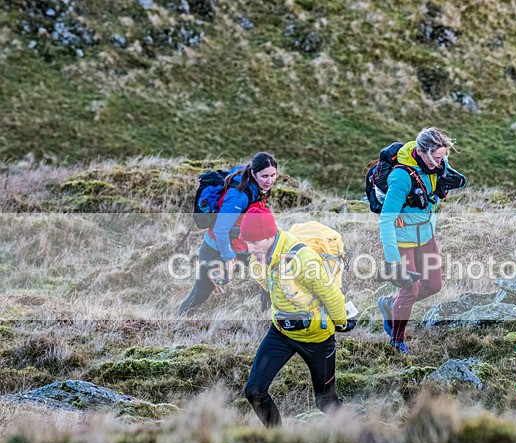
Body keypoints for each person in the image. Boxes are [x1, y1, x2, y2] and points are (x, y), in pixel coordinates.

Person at [240, 206, 355, 427]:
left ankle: (359, 432)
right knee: (254, 390)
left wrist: (341, 322)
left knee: (325, 402)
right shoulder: (259, 258)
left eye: (254, 242)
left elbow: (331, 294)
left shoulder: (304, 259)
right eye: (247, 242)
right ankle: (278, 441)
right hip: (281, 333)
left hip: (317, 337)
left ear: (270, 236)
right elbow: (268, 286)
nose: (250, 248)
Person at [376, 127, 466, 355]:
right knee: (410, 290)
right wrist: (393, 262)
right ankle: (397, 341)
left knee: (434, 285)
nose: (441, 162)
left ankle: (390, 304)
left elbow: (452, 179)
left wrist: (458, 181)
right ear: (422, 151)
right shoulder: (401, 177)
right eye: (436, 158)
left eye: (443, 157)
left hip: (426, 236)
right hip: (403, 242)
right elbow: (386, 221)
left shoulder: (438, 164)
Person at [179, 152, 278, 316]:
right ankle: (179, 321)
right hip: (216, 249)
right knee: (200, 293)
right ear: (253, 173)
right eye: (265, 176)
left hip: (243, 248)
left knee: (268, 277)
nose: (269, 181)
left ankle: (267, 317)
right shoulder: (239, 196)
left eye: (273, 175)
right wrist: (229, 258)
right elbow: (220, 230)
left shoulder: (255, 186)